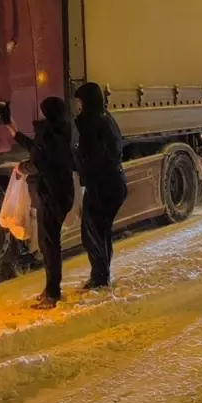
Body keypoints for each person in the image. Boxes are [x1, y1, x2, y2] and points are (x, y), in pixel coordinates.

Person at [8, 97, 74, 309]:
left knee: (50, 245)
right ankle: (50, 289)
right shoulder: (60, 130)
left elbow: (39, 163)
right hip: (60, 194)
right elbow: (40, 150)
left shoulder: (49, 134)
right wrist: (16, 134)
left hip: (50, 196)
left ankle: (52, 294)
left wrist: (22, 168)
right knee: (49, 243)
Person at [73, 82, 128, 289]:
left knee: (92, 233)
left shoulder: (91, 122)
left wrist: (78, 162)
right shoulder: (105, 117)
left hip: (103, 185)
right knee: (101, 231)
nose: (77, 106)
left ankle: (100, 278)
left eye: (79, 101)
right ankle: (101, 274)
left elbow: (92, 156)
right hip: (112, 182)